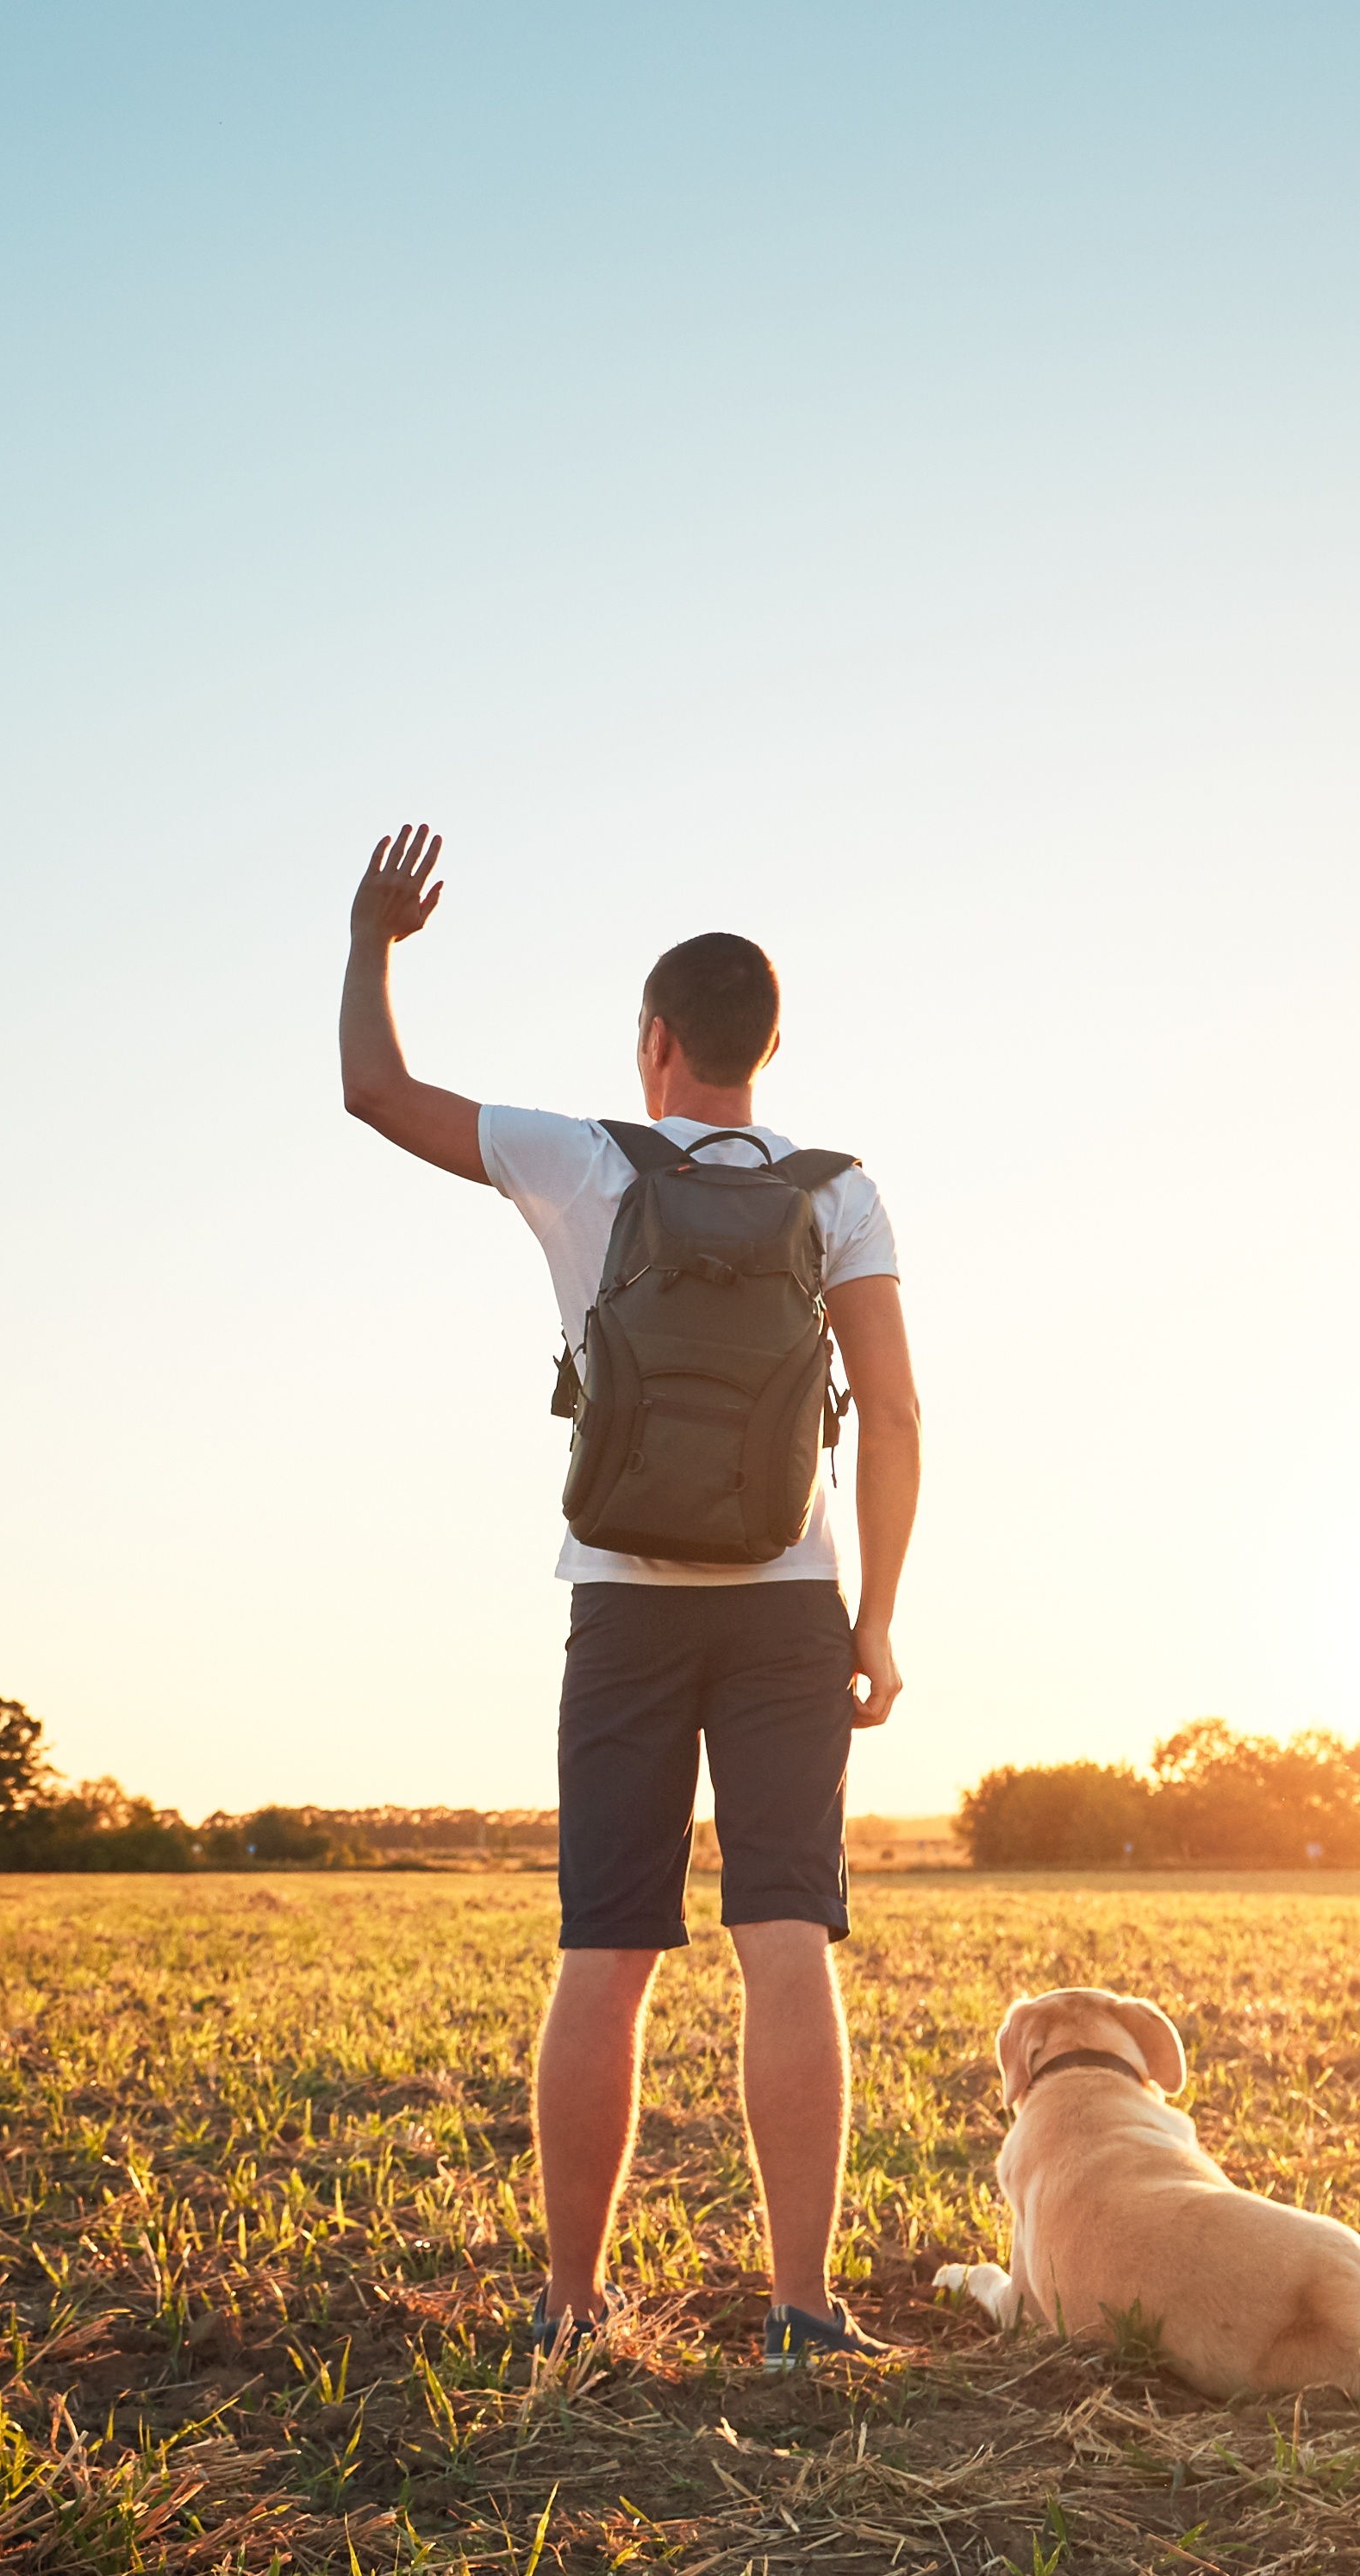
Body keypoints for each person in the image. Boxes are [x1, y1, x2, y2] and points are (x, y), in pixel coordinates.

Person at [334, 822, 921, 2367]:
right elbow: (901, 1413)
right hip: (794, 1604)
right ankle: (802, 2308)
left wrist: (372, 946)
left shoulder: (584, 1160)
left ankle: (574, 2308)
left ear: (654, 1043)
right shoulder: (842, 1192)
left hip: (626, 1602)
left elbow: (376, 1095)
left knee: (608, 1950)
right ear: (771, 1048)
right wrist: (874, 1622)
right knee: (785, 1938)